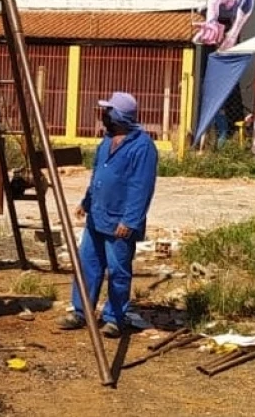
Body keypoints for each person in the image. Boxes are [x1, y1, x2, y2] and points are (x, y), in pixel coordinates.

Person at [58, 91, 158, 339]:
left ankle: (114, 318)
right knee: (88, 265)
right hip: (97, 217)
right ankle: (81, 311)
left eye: (108, 111)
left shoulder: (143, 147)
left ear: (120, 115)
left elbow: (141, 187)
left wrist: (130, 221)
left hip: (119, 222)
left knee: (117, 271)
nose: (104, 115)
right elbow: (97, 176)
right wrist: (86, 201)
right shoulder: (106, 142)